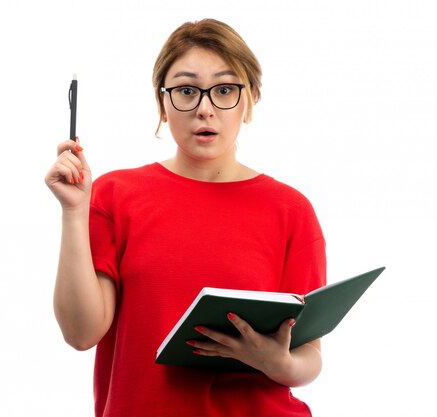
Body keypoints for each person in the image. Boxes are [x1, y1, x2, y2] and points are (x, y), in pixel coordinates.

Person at [45, 18, 326, 417]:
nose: (205, 108)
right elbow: (80, 332)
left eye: (225, 89)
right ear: (162, 104)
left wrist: (276, 362)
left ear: (249, 101)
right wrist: (74, 212)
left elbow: (309, 356)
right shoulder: (114, 195)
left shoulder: (291, 210)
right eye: (187, 91)